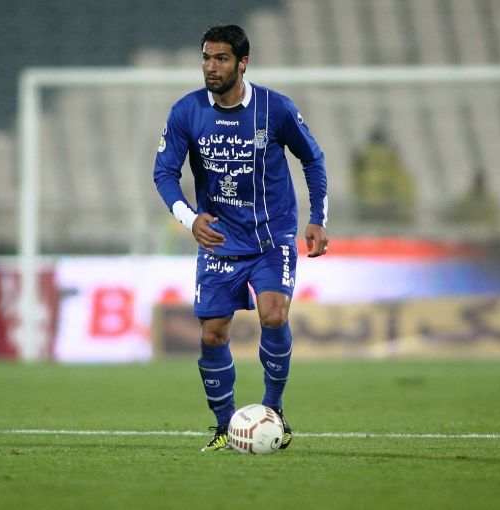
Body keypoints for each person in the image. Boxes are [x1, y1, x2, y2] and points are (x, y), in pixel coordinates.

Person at [153, 24, 329, 452]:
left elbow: (312, 159)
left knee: (274, 315)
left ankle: (274, 410)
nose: (211, 67)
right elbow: (164, 173)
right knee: (213, 334)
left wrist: (318, 218)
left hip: (271, 236)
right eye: (206, 58)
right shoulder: (187, 111)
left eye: (221, 59)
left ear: (242, 63)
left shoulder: (275, 108)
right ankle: (222, 427)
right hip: (218, 240)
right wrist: (190, 219)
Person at [351, 125, 416, 222]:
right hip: (388, 206)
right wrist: (405, 205)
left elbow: (355, 178)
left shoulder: (362, 157)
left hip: (365, 205)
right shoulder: (390, 156)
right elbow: (400, 181)